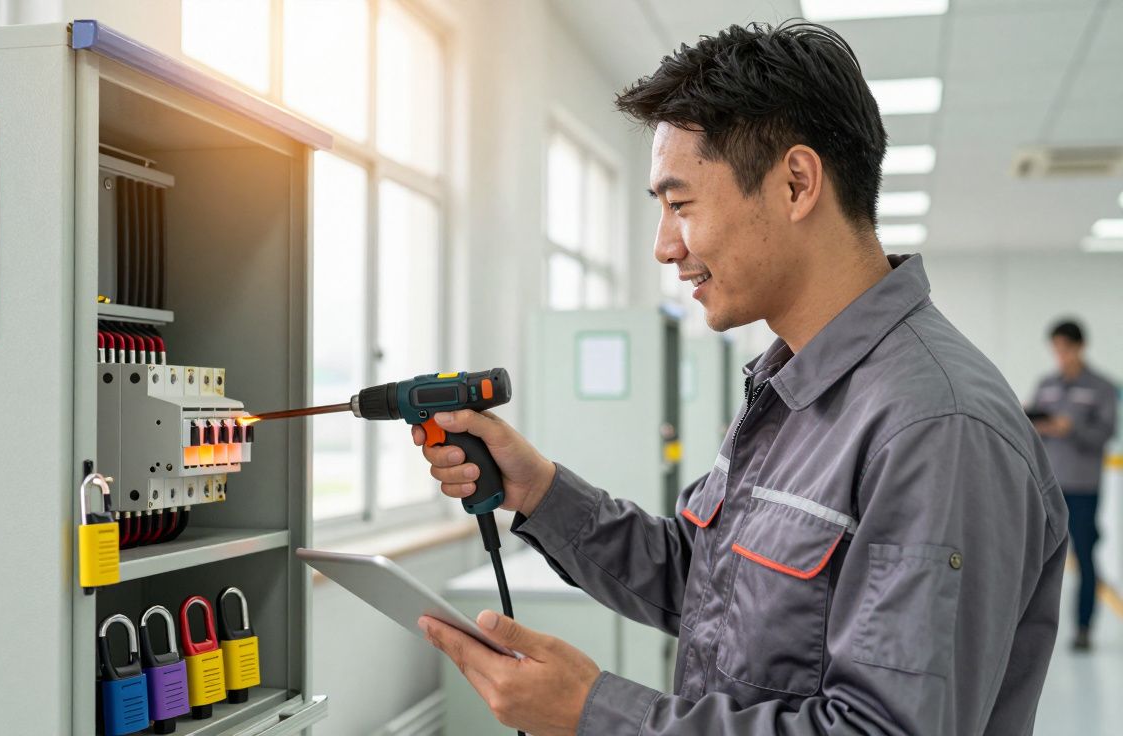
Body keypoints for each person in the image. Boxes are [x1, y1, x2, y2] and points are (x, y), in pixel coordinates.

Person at [412, 21, 1068, 735]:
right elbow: (706, 582)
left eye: (681, 203)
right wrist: (537, 490)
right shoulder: (789, 390)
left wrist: (594, 712)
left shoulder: (936, 429)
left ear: (795, 184)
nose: (664, 246)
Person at [1030, 319, 1118, 652]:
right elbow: (1029, 423)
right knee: (1036, 559)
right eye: (1056, 349)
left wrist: (1070, 429)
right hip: (1048, 487)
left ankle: (1083, 628)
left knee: (1084, 556)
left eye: (1066, 349)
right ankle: (1031, 630)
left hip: (1083, 487)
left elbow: (1106, 433)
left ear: (1080, 347)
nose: (1060, 355)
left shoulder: (1101, 387)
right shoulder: (1047, 385)